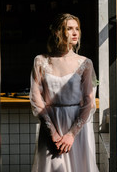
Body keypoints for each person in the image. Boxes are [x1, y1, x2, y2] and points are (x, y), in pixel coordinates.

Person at [30, 13, 99, 172]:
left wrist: (71, 135)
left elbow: (89, 102)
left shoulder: (85, 63)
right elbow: (36, 98)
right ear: (57, 32)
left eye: (77, 29)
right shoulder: (40, 61)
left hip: (77, 127)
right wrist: (52, 132)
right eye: (69, 28)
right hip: (51, 122)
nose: (75, 33)